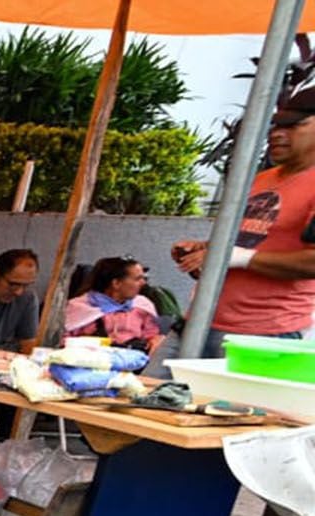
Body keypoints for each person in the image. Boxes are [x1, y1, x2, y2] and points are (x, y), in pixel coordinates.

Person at [173, 86, 315, 355]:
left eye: (293, 126)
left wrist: (237, 257)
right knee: (142, 392)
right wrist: (203, 253)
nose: (277, 134)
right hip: (199, 320)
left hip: (263, 334)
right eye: (275, 126)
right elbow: (248, 242)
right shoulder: (262, 178)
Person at [65, 256, 164, 354]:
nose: (143, 283)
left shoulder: (142, 305)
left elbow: (151, 334)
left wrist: (156, 339)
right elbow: (63, 341)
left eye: (144, 278)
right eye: (137, 279)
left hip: (133, 362)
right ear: (116, 283)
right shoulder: (79, 308)